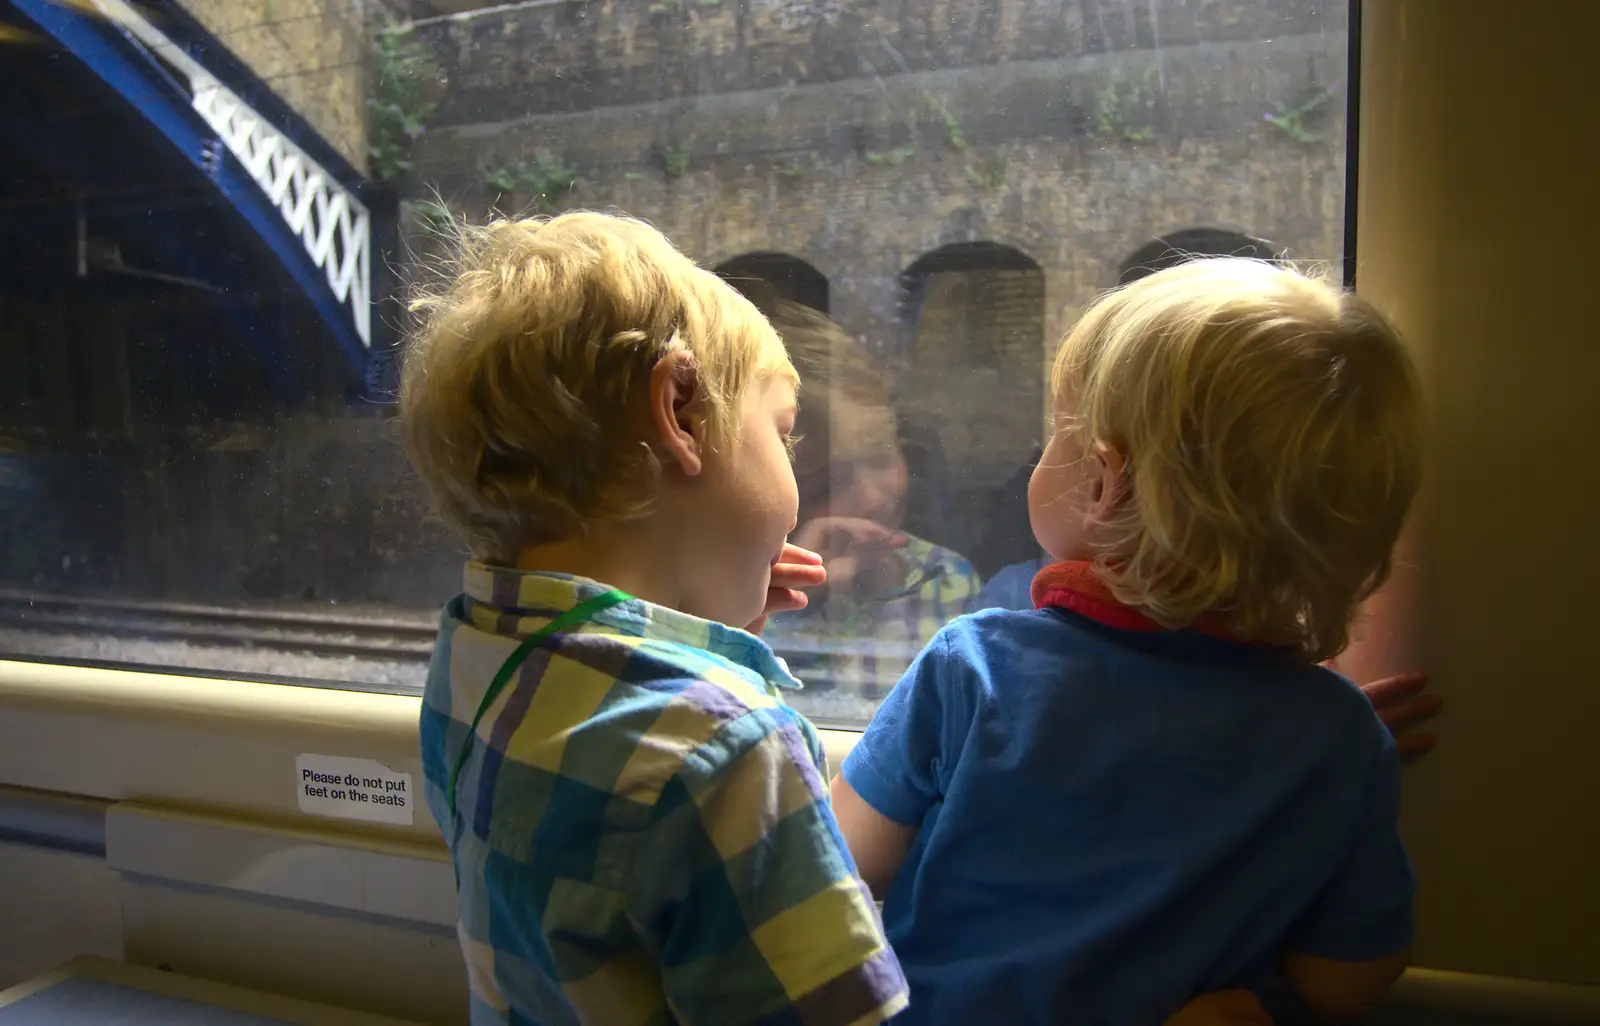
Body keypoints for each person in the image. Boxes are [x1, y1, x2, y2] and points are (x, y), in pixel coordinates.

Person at [401, 211, 1280, 1026]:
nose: (794, 465)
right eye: (784, 435)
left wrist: (724, 620)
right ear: (679, 413)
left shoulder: (480, 651)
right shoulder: (725, 752)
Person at [831, 258, 1426, 1024]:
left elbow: (841, 861)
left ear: (1105, 482)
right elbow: (1343, 981)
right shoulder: (1338, 738)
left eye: (1057, 435)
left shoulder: (975, 666)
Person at [761, 302, 982, 703]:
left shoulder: (946, 577)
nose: (873, 497)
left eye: (880, 456)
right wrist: (803, 595)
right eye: (827, 485)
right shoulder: (750, 590)